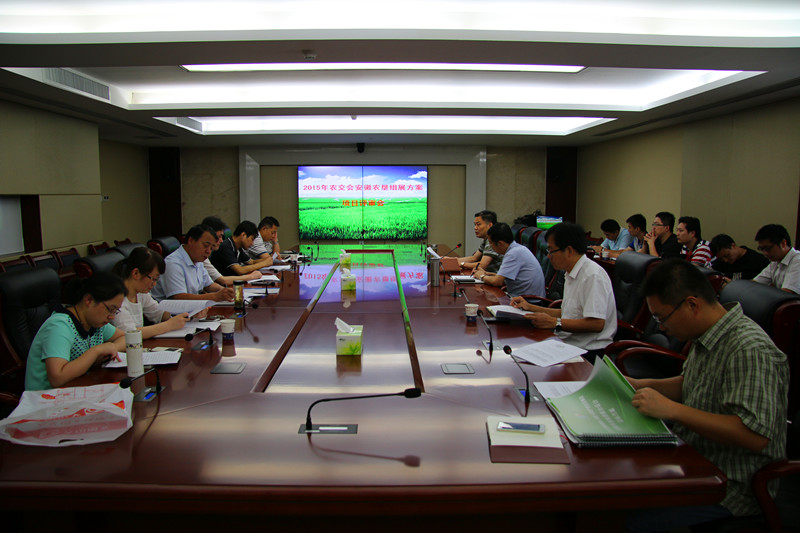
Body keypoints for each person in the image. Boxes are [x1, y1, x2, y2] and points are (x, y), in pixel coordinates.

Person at [626, 259, 788, 532]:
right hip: (690, 459)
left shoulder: (749, 349)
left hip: (729, 486)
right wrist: (638, 384)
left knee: (623, 520)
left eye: (662, 318)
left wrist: (672, 410)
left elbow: (754, 435)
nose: (660, 327)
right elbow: (691, 384)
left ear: (692, 305)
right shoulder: (707, 334)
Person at [510, 222, 616, 359]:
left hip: (587, 352)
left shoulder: (592, 275)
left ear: (569, 251)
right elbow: (569, 313)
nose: (548, 256)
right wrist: (530, 307)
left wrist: (555, 322)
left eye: (551, 251)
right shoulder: (571, 272)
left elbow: (596, 324)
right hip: (566, 343)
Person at [25, 273, 128, 391]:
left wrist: (112, 348)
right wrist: (96, 351)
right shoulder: (59, 326)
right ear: (88, 300)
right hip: (46, 396)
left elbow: (125, 338)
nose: (112, 317)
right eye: (110, 309)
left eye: (115, 311)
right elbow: (57, 378)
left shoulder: (95, 322)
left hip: (77, 387)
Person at [111, 246, 191, 339]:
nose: (154, 284)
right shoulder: (116, 298)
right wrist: (168, 325)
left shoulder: (140, 293)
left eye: (156, 279)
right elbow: (129, 333)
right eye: (153, 279)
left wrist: (188, 313)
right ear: (136, 273)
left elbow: (159, 314)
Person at [150, 224, 234, 302]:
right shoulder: (173, 263)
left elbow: (209, 285)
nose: (208, 251)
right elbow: (179, 297)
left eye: (211, 248)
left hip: (192, 308)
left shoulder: (198, 259)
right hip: (170, 311)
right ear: (191, 240)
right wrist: (214, 296)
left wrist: (225, 291)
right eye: (205, 246)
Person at [472, 222, 545, 298]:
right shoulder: (517, 249)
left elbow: (497, 282)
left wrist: (481, 276)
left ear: (500, 243)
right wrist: (486, 274)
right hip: (522, 297)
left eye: (490, 243)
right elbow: (502, 277)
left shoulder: (513, 254)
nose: (490, 246)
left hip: (528, 300)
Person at [201, 215, 262, 285]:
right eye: (219, 236)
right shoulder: (225, 246)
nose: (221, 241)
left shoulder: (237, 247)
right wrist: (251, 276)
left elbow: (210, 285)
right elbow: (223, 280)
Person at [753, 223, 800, 294]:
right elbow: (754, 284)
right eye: (761, 249)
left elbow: (787, 294)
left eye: (768, 248)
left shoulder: (797, 261)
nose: (765, 253)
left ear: (783, 243)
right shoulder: (775, 262)